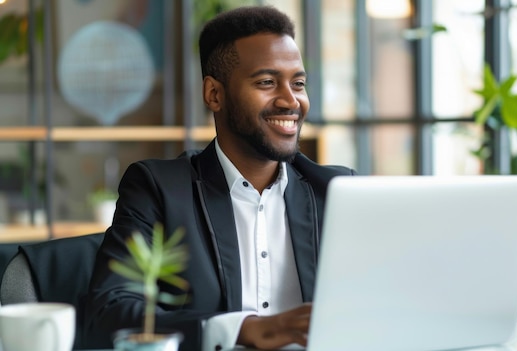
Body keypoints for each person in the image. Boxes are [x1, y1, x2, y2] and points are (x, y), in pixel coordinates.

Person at [80, 5, 356, 351]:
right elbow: (109, 314)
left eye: (298, 83)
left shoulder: (338, 192)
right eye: (267, 82)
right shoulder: (159, 189)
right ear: (214, 94)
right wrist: (246, 329)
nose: (291, 100)